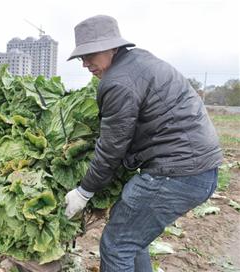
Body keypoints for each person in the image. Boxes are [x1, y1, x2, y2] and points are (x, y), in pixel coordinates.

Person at [64, 15, 222, 271]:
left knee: (117, 246)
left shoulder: (118, 82)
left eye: (90, 54)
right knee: (129, 237)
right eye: (82, 57)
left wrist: (84, 191)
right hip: (198, 169)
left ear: (112, 47)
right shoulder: (139, 61)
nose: (85, 63)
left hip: (176, 174)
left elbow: (112, 147)